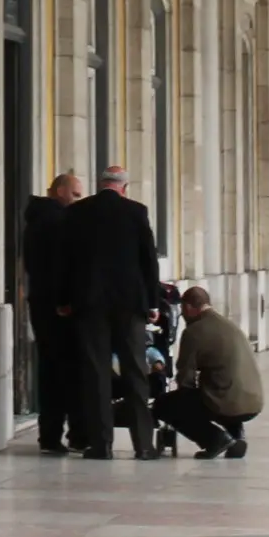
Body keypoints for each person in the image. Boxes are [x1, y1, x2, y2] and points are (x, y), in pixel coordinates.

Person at [57, 166, 161, 461]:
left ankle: (101, 445)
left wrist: (65, 299)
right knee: (135, 371)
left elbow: (65, 260)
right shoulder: (136, 211)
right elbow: (148, 260)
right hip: (130, 303)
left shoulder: (79, 212)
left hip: (89, 303)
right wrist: (152, 302)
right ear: (124, 188)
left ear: (100, 184)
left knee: (96, 372)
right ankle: (144, 445)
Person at [153, 287, 264, 460]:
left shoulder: (194, 332)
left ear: (188, 307)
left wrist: (182, 403)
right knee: (223, 388)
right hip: (253, 402)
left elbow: (185, 379)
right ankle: (237, 436)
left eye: (183, 311)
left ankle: (215, 439)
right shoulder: (229, 325)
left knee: (164, 405)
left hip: (226, 401)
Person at [22, 173, 87, 455]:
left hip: (42, 304)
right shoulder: (57, 222)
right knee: (65, 372)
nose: (78, 201)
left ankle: (52, 435)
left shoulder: (39, 220)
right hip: (57, 308)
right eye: (75, 195)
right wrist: (67, 300)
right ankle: (66, 434)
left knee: (52, 370)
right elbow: (63, 268)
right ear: (60, 191)